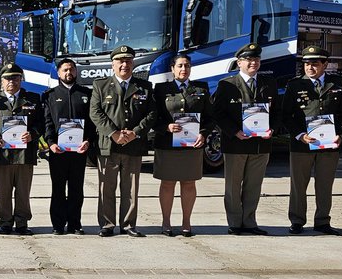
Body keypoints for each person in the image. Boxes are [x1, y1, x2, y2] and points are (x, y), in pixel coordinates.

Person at [283, 46, 342, 235]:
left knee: (324, 184)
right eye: (307, 64)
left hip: (329, 145)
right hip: (302, 145)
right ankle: (297, 220)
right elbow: (286, 115)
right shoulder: (295, 85)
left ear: (325, 64)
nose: (310, 67)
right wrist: (299, 134)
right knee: (298, 185)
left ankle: (322, 221)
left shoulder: (337, 84)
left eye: (315, 63)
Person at [89, 45, 155, 237]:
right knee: (106, 188)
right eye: (120, 61)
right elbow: (95, 112)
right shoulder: (100, 85)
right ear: (113, 64)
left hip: (133, 145)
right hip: (108, 145)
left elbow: (152, 113)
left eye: (127, 61)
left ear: (133, 63)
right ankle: (107, 224)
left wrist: (136, 132)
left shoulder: (144, 87)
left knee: (131, 188)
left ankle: (128, 224)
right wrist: (113, 133)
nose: (124, 64)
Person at [213, 43, 279, 235]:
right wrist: (234, 131)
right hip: (236, 143)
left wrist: (272, 129)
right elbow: (218, 113)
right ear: (239, 62)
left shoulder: (269, 83)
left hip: (260, 144)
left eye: (256, 59)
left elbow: (277, 111)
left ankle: (250, 222)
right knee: (233, 186)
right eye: (249, 60)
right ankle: (234, 223)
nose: (253, 63)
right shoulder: (227, 85)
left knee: (254, 185)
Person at [152, 54, 213, 237]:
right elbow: (152, 117)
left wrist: (203, 134)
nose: (183, 69)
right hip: (168, 145)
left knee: (188, 184)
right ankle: (166, 222)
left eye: (187, 65)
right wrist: (166, 126)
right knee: (167, 184)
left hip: (191, 146)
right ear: (172, 68)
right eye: (179, 66)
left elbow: (210, 118)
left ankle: (186, 222)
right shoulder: (161, 89)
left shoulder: (200, 88)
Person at [0, 63, 43, 234]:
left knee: (23, 191)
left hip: (25, 154)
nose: (12, 81)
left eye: (15, 78)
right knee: (3, 191)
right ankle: (5, 222)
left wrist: (33, 134)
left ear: (20, 80)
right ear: (1, 81)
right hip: (2, 153)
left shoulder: (32, 99)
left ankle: (22, 222)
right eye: (8, 78)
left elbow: (41, 123)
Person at [42, 58, 95, 235]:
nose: (68, 73)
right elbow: (47, 122)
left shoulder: (86, 94)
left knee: (76, 189)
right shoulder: (50, 95)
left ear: (76, 72)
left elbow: (92, 122)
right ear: (58, 73)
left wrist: (88, 140)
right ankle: (57, 224)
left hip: (79, 151)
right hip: (58, 151)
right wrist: (51, 143)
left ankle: (75, 223)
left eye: (71, 69)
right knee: (58, 188)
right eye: (64, 70)